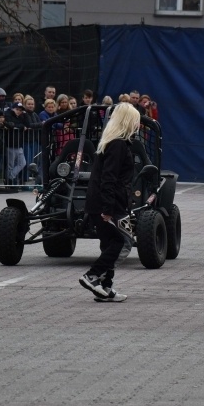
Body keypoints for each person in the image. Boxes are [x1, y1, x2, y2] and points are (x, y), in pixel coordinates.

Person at [78, 102, 138, 303]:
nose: (137, 125)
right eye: (136, 121)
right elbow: (109, 178)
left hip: (101, 202)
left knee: (110, 243)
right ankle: (93, 276)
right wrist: (108, 208)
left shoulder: (110, 142)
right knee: (122, 242)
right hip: (110, 204)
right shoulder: (118, 144)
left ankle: (105, 287)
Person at [4, 101, 29, 185]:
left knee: (23, 163)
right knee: (10, 165)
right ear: (12, 109)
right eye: (17, 109)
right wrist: (21, 126)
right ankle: (9, 182)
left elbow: (27, 124)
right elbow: (12, 125)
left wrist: (25, 114)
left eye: (20, 110)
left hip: (19, 145)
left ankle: (10, 177)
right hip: (10, 144)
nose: (19, 111)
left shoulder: (22, 116)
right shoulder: (8, 115)